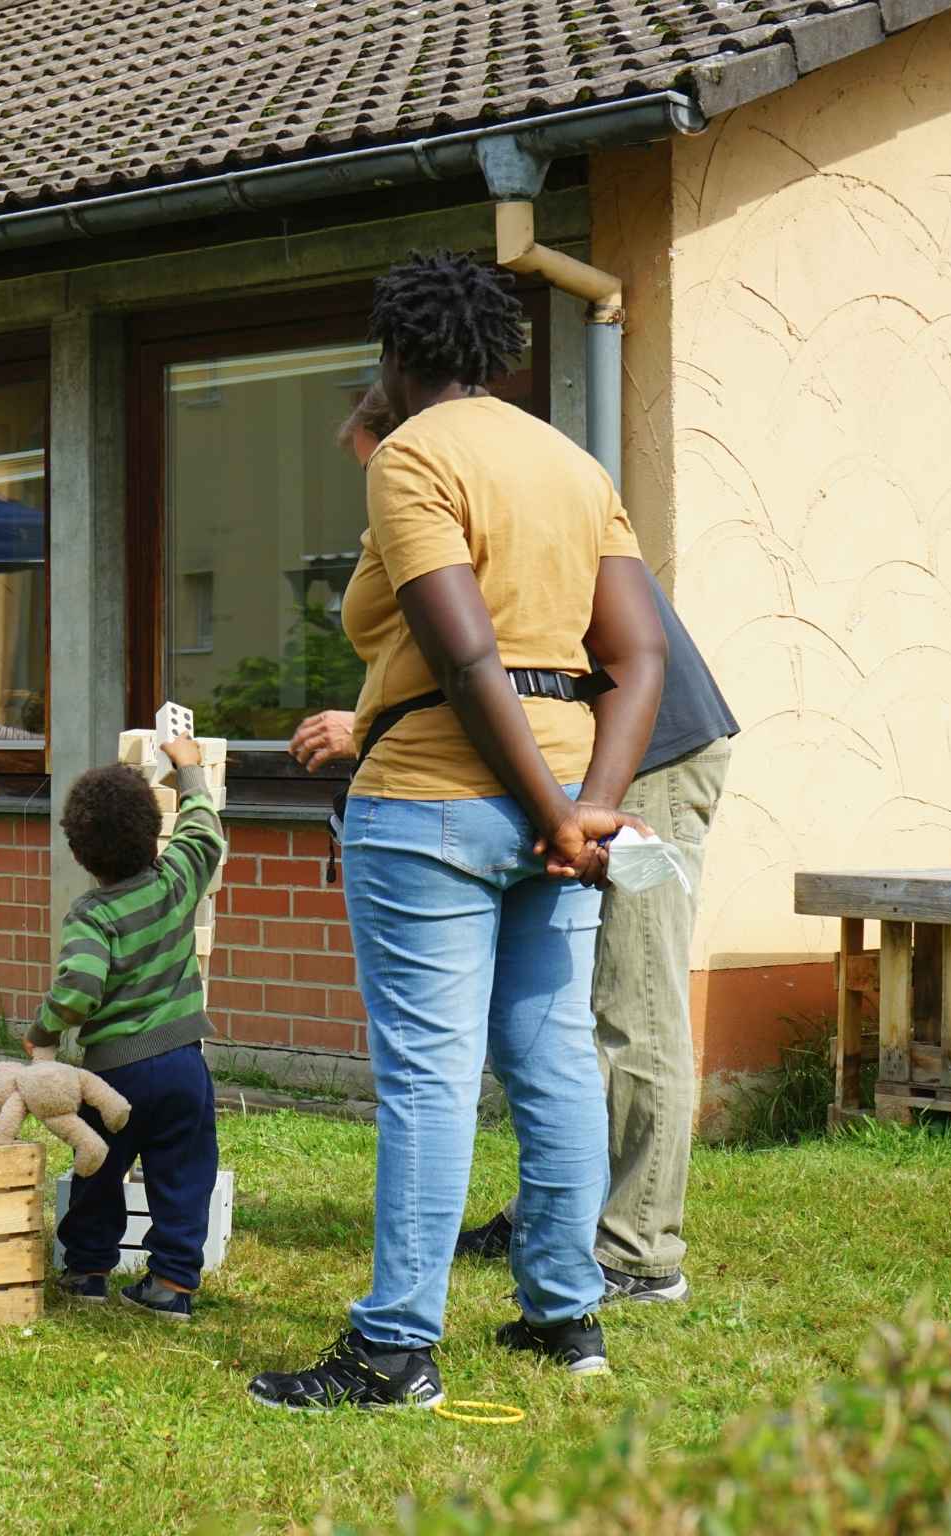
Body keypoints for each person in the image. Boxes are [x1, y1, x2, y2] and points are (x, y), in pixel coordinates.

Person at [247, 251, 666, 1411]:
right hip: (562, 792)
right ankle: (564, 1315)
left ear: (395, 354)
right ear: (499, 352)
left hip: (432, 799)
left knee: (428, 1079)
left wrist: (556, 815)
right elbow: (637, 656)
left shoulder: (412, 456)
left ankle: (392, 1351)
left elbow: (465, 652)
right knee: (552, 1057)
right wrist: (582, 811)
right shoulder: (573, 465)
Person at [303, 387, 741, 1306]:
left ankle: (635, 1249)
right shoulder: (555, 468)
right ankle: (557, 1253)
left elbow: (493, 657)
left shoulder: (447, 466)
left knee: (631, 1006)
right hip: (567, 765)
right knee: (554, 1041)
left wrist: (577, 812)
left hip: (643, 750)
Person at [33, 732, 224, 1321]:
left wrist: (43, 1032)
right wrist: (189, 769)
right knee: (184, 1172)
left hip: (114, 1076)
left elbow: (78, 991)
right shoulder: (177, 882)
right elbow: (205, 832)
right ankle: (171, 1284)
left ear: (79, 852)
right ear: (153, 830)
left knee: (96, 1166)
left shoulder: (92, 916)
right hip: (183, 1066)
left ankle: (88, 1271)